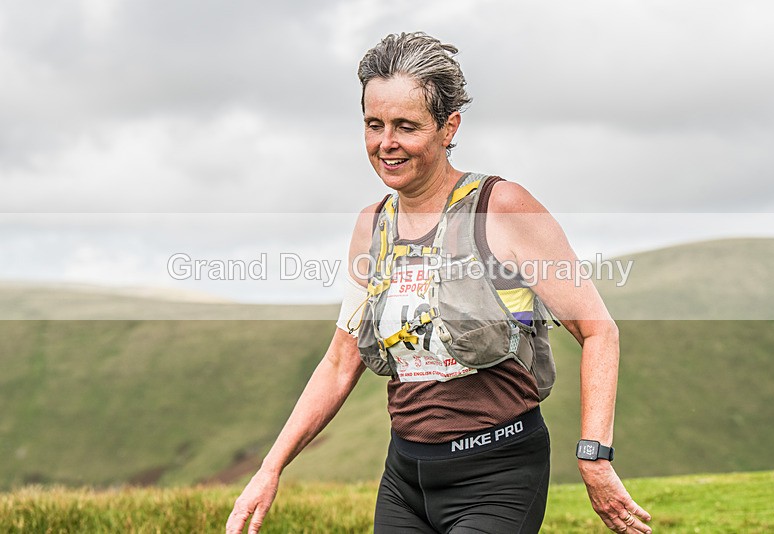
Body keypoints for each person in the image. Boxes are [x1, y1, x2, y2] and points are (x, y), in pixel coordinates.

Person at [227, 32, 652, 534]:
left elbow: (599, 330)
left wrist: (594, 456)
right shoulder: (372, 227)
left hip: (499, 476)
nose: (387, 143)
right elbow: (341, 361)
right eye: (374, 125)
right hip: (405, 482)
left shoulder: (502, 208)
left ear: (449, 127)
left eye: (406, 126)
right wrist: (270, 467)